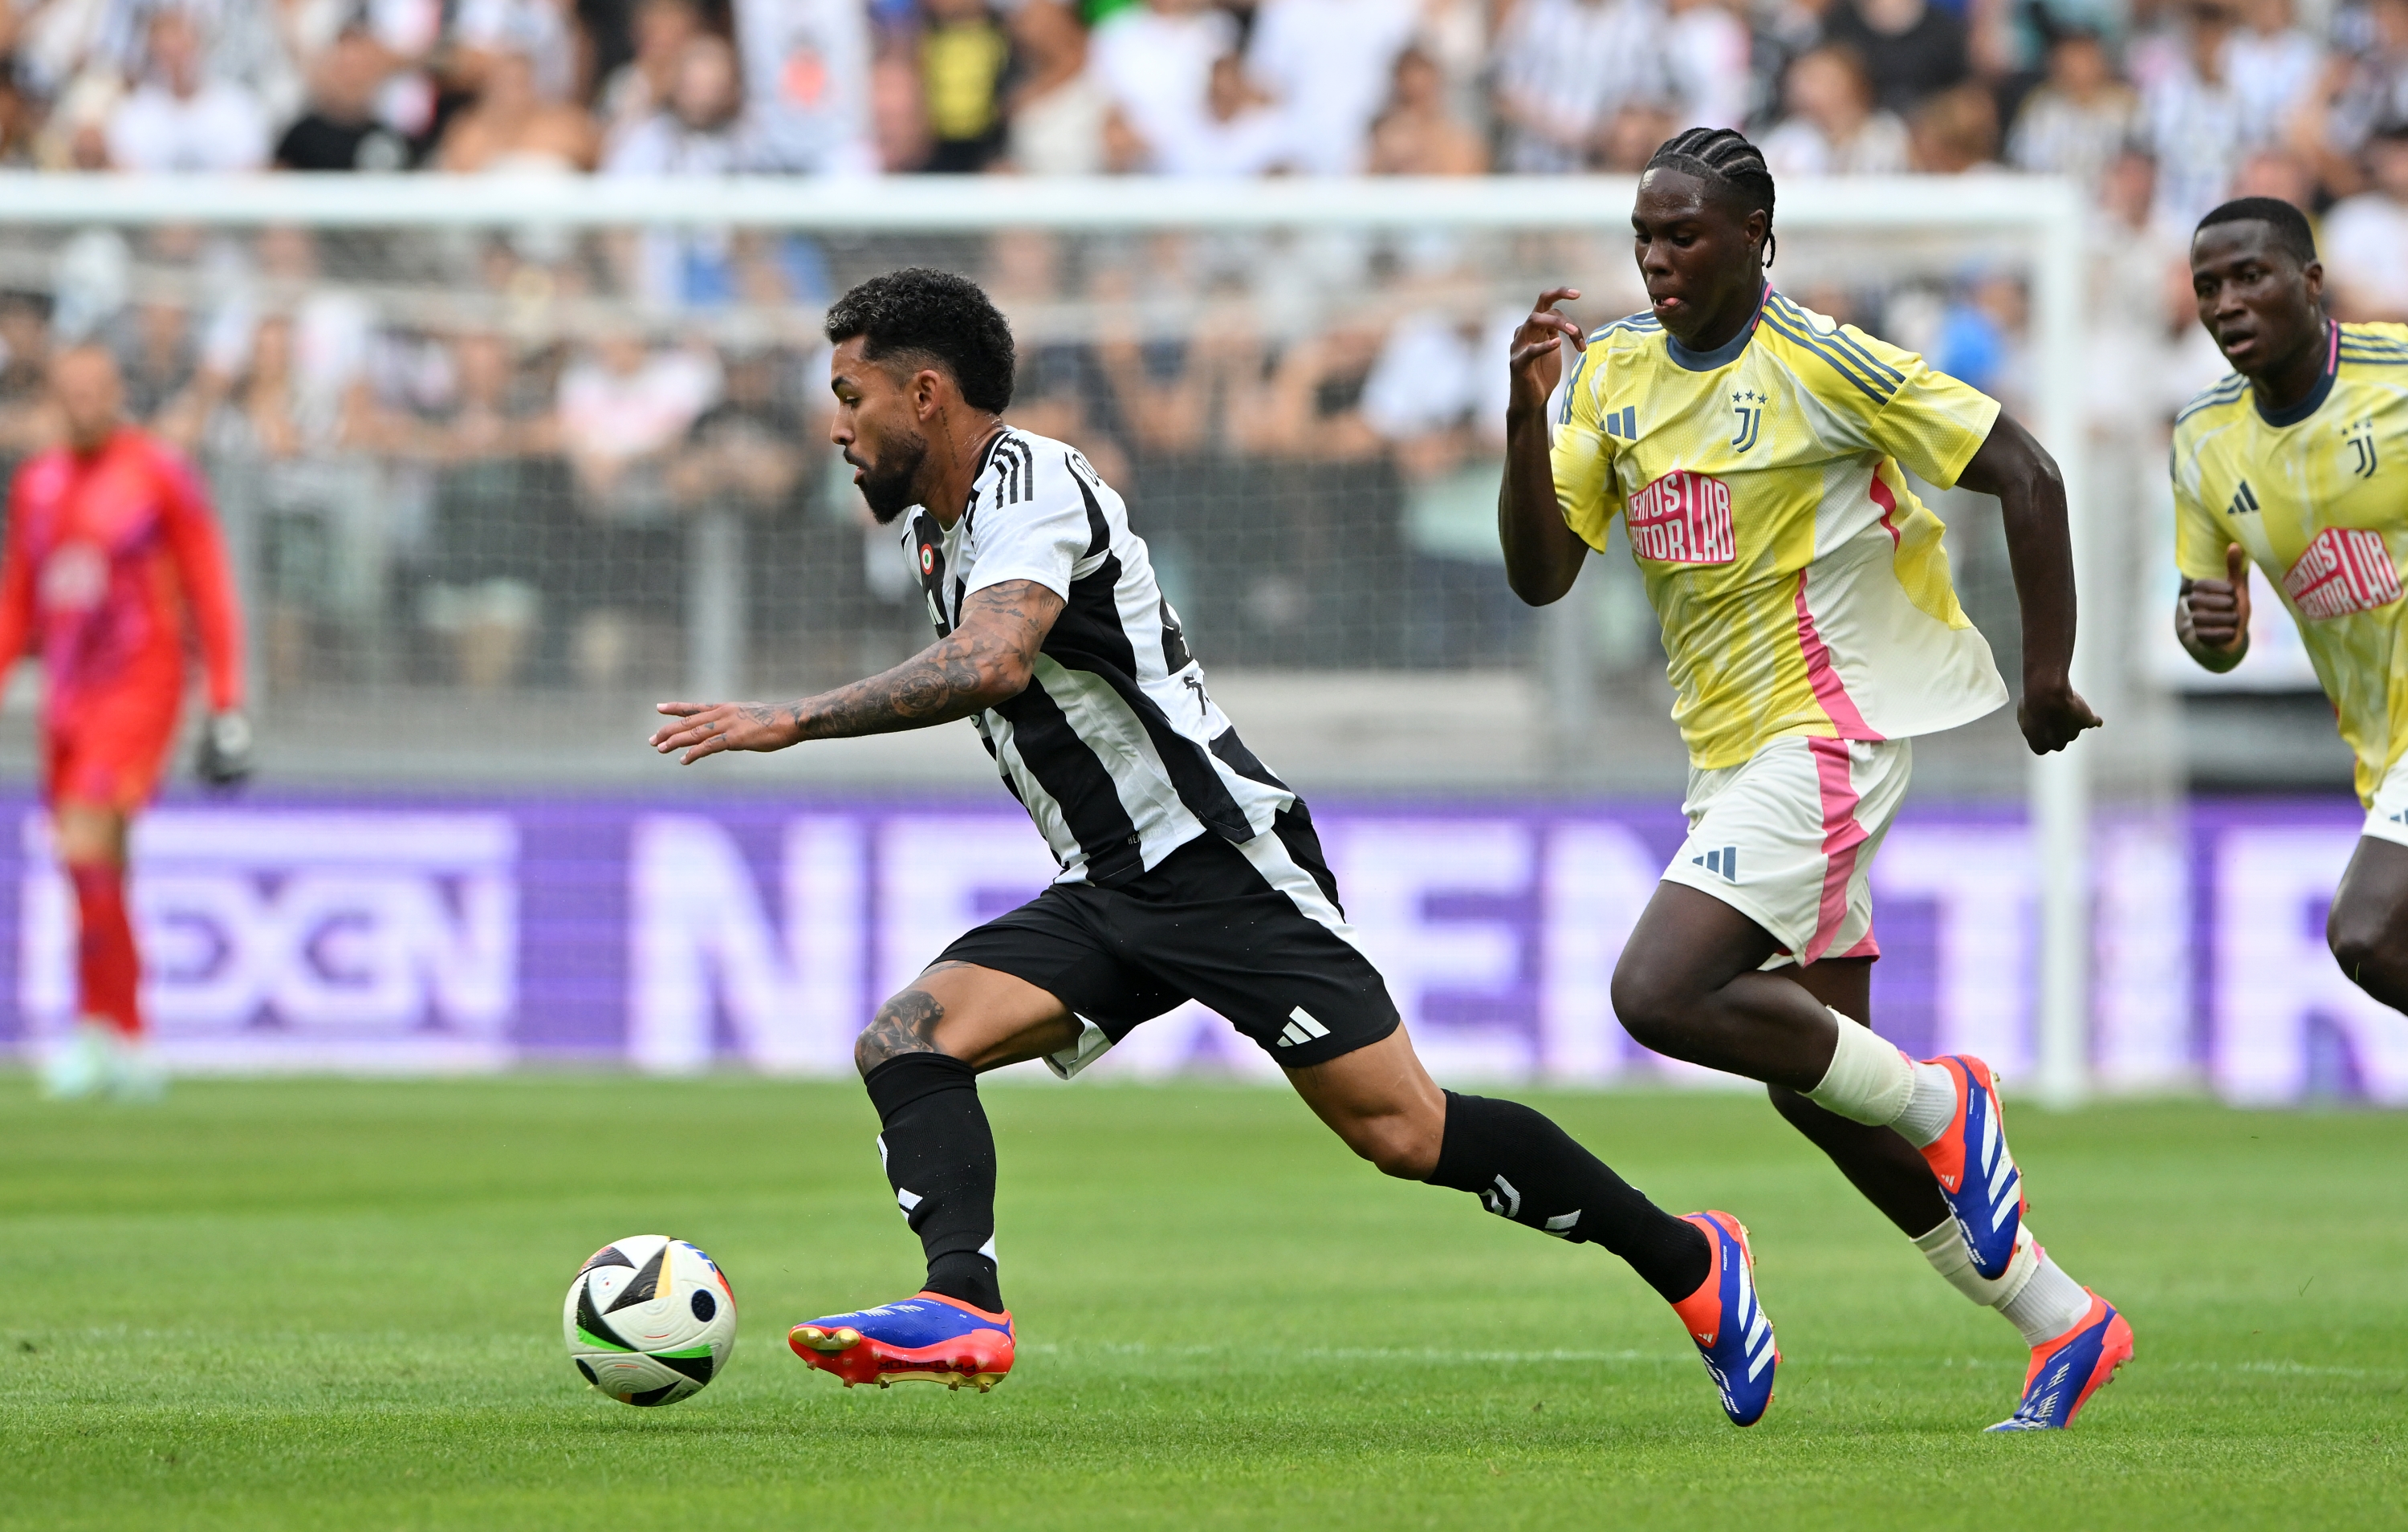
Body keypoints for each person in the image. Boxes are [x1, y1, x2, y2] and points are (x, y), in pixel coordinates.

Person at [649, 267, 1784, 1428]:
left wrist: (792, 719)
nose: (836, 424)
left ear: (926, 393)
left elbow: (993, 660)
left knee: (1406, 1131)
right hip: (1110, 886)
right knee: (906, 1041)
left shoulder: (1035, 483)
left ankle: (1693, 1260)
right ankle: (964, 1304)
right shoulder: (939, 535)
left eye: (851, 395)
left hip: (1219, 861)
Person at [1497, 128, 2131, 1432]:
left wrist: (2048, 670)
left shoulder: (1825, 363)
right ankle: (2061, 1313)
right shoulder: (1611, 372)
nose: (1659, 259)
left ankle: (1948, 1099)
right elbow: (1543, 570)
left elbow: (2028, 469)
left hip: (1831, 730)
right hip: (1728, 755)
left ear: (1754, 238)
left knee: (1658, 988)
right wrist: (1525, 417)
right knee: (1816, 1080)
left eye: (1685, 235)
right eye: (1644, 237)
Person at [2171, 197, 2408, 1030]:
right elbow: (2211, 636)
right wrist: (2208, 631)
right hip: (2383, 749)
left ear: (2311, 283)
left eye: (2249, 277)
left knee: (2371, 931)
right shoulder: (2204, 442)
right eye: (2208, 287)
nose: (2227, 302)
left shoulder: (2398, 376)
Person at [0, 346, 249, 1100]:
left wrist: (227, 702)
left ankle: (95, 1028)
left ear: (117, 393)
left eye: (94, 390)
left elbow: (208, 582)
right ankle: (129, 1034)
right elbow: (18, 600)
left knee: (84, 838)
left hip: (141, 686)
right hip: (66, 697)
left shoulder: (158, 474)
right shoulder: (36, 484)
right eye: (67, 391)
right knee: (101, 861)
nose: (81, 404)